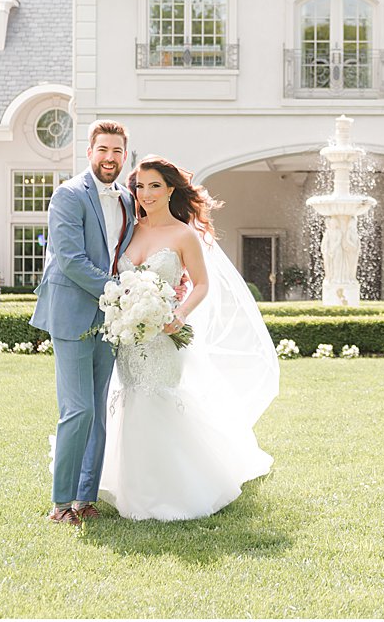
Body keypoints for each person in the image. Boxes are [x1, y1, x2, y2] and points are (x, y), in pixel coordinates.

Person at [95, 154, 279, 521]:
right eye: (140, 187)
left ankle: (173, 491)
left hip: (164, 335)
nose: (146, 194)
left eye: (155, 186)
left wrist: (177, 314)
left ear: (170, 190)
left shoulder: (184, 234)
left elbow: (202, 284)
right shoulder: (129, 230)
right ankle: (134, 489)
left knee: (158, 399)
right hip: (129, 338)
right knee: (130, 400)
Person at [30, 120, 136, 526]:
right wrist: (118, 290)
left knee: (98, 409)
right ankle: (60, 504)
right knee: (77, 410)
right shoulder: (68, 195)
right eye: (103, 150)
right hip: (72, 312)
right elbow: (71, 260)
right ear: (89, 152)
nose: (110, 158)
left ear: (125, 156)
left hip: (112, 320)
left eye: (117, 152)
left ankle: (85, 499)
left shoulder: (127, 199)